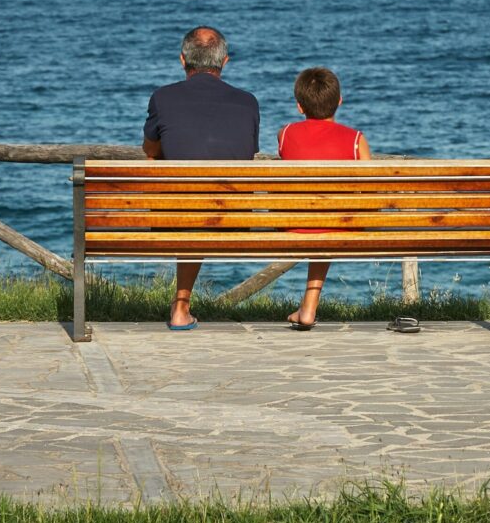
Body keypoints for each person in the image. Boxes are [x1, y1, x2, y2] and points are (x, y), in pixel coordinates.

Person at [143, 26, 260, 330]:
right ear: (224, 62)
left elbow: (150, 149)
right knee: (200, 200)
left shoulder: (162, 98)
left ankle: (180, 306)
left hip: (177, 215)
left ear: (183, 61)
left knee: (187, 202)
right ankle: (180, 307)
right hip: (233, 217)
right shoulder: (248, 102)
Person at [277, 67, 372, 330]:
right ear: (339, 102)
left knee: (320, 217)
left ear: (299, 106)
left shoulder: (285, 133)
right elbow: (371, 190)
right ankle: (309, 306)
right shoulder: (356, 140)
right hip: (337, 224)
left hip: (293, 223)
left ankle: (307, 307)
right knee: (329, 219)